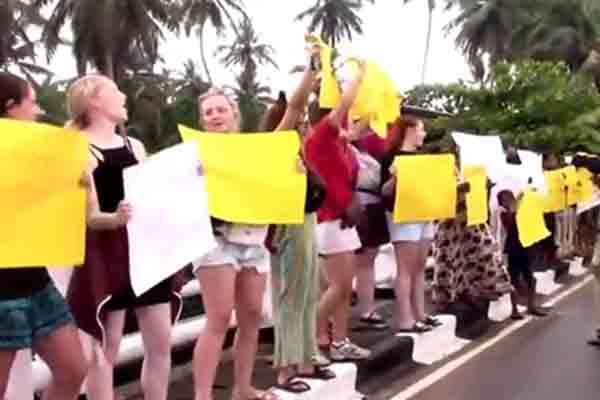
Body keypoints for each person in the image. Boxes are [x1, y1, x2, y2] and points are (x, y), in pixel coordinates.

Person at [0, 72, 125, 399]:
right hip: (2, 289)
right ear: (11, 106)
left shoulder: (40, 153)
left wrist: (73, 181)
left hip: (35, 280)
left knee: (73, 369)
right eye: (32, 102)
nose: (37, 110)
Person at [65, 74, 178, 400]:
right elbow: (89, 217)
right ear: (94, 101)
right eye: (115, 91)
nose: (124, 97)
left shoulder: (135, 146)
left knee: (160, 342)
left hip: (146, 253)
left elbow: (153, 196)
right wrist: (115, 218)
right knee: (106, 348)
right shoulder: (77, 148)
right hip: (107, 257)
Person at [192, 87, 277, 400]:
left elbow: (273, 184)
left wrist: (291, 171)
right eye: (209, 112)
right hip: (216, 241)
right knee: (218, 318)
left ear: (234, 113)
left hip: (254, 239)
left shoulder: (253, 150)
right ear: (202, 121)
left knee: (252, 315)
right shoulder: (195, 152)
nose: (215, 116)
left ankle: (242, 388)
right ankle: (203, 395)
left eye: (221, 109)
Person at [260, 54, 336, 393]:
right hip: (287, 226)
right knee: (291, 297)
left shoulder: (298, 151)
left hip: (305, 222)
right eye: (300, 120)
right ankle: (286, 368)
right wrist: (311, 70)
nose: (304, 123)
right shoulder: (276, 145)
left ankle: (305, 358)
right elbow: (294, 106)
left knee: (306, 295)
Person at [303, 60, 371, 362]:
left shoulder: (341, 143)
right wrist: (359, 78)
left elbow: (361, 123)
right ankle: (306, 337)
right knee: (340, 286)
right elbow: (344, 106)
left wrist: (373, 102)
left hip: (343, 220)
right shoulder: (320, 137)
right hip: (329, 221)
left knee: (342, 288)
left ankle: (339, 341)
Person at [380, 117, 439, 333]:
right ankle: (405, 318)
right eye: (421, 130)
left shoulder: (423, 158)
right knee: (405, 268)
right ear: (410, 130)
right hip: (403, 216)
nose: (424, 134)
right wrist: (395, 177)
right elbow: (384, 191)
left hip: (424, 213)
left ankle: (420, 313)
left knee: (420, 265)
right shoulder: (391, 158)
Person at [352, 129, 390, 329]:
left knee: (367, 261)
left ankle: (367, 308)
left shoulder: (365, 151)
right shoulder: (347, 149)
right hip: (360, 207)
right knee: (360, 262)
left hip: (373, 206)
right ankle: (363, 309)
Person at [498, 190, 549, 319]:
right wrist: (516, 207)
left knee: (529, 277)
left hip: (524, 245)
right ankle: (514, 309)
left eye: (510, 198)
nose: (509, 200)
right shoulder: (502, 212)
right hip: (512, 249)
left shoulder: (519, 210)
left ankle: (531, 305)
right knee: (514, 279)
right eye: (506, 199)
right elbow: (509, 224)